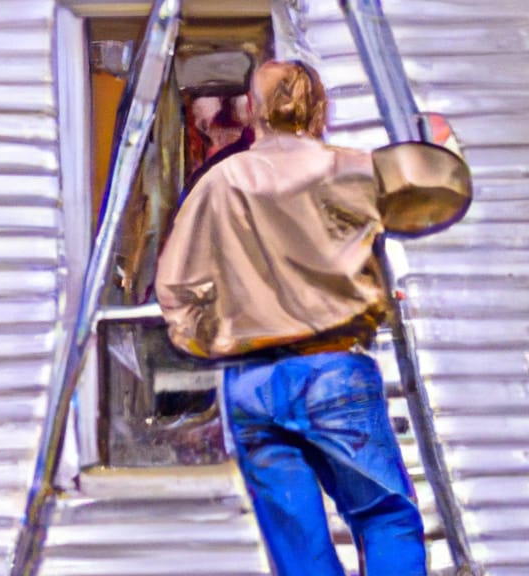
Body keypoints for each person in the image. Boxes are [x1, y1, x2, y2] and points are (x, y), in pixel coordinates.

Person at [155, 60, 430, 575]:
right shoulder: (355, 170)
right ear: (320, 108)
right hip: (332, 369)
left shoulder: (222, 182)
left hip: (250, 380)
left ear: (253, 112)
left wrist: (214, 339)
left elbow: (175, 287)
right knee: (385, 518)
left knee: (298, 552)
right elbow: (439, 192)